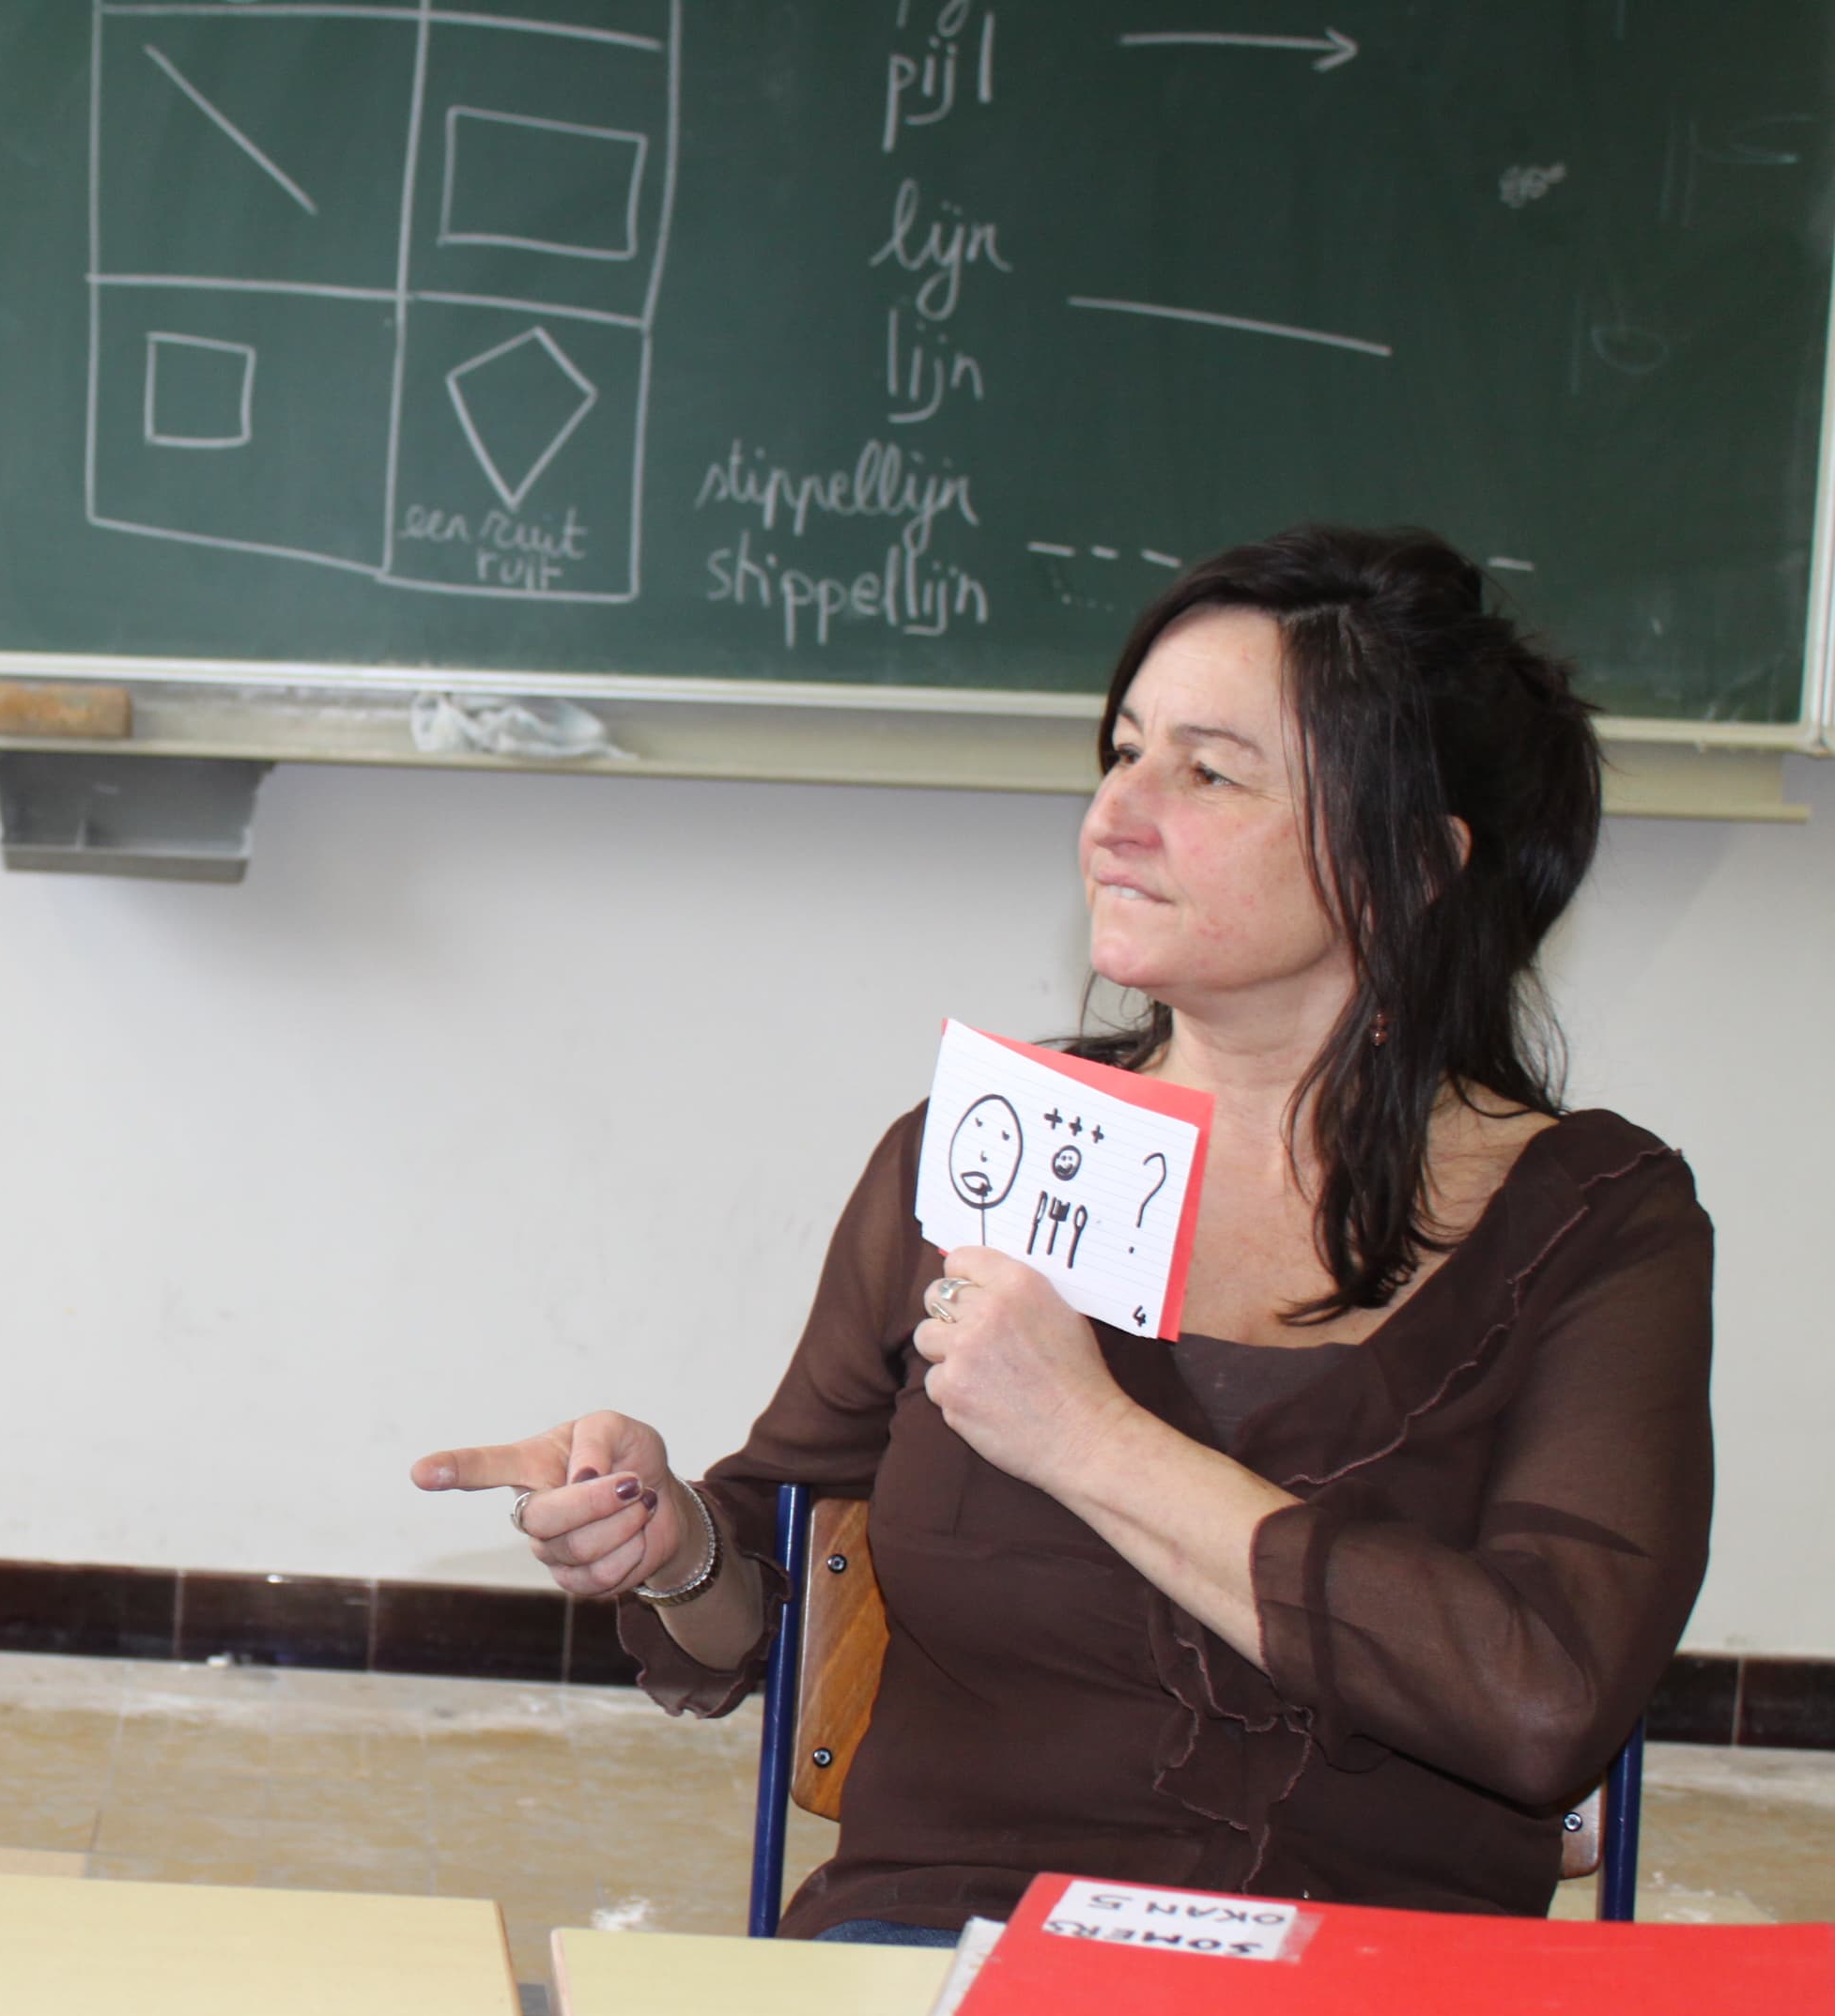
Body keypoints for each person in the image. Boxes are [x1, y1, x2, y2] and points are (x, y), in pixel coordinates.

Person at [415, 527, 1710, 1942]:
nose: (1115, 817)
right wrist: (669, 1548)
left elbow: (1541, 1702)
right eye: (1123, 752)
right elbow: (771, 1585)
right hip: (948, 1949)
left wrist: (1088, 1437)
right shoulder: (978, 1148)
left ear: (1407, 867)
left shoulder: (1593, 1223)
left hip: (1367, 1994)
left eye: (1209, 773)